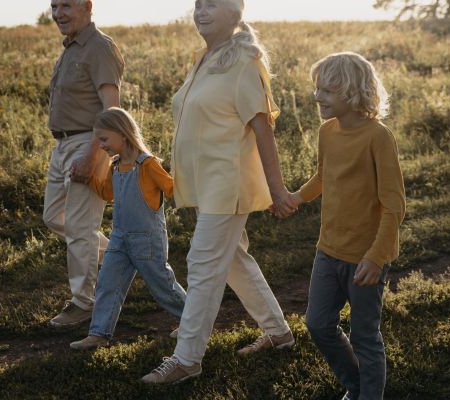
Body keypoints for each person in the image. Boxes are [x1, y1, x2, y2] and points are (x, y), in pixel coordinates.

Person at [141, 0, 297, 385]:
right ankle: (279, 333)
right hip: (207, 184)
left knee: (204, 262)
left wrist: (278, 191)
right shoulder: (205, 58)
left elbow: (262, 130)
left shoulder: (244, 61)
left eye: (211, 4)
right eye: (197, 4)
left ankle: (187, 359)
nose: (200, 11)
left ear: (235, 12)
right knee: (232, 260)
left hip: (229, 183)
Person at [288, 52, 406, 400]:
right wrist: (297, 197)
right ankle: (355, 385)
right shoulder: (327, 131)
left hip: (366, 258)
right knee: (318, 324)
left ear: (351, 92)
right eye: (316, 88)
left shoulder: (378, 138)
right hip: (328, 249)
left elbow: (393, 205)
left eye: (325, 90)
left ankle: (370, 395)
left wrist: (376, 256)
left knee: (364, 336)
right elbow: (324, 175)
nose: (316, 97)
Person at [69, 108, 187, 350]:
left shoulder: (148, 165)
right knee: (107, 283)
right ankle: (99, 333)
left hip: (147, 239)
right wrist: (88, 179)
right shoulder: (115, 166)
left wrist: (190, 172)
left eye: (104, 139)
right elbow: (107, 193)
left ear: (123, 134)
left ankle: (193, 321)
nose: (100, 145)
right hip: (120, 239)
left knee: (162, 284)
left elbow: (173, 188)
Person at [43, 0, 125, 327]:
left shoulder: (99, 48)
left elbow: (112, 108)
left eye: (66, 5)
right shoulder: (71, 48)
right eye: (54, 6)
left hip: (88, 142)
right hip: (62, 144)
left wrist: (93, 155)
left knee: (80, 228)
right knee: (54, 216)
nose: (58, 13)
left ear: (87, 6)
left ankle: (84, 302)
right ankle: (120, 257)